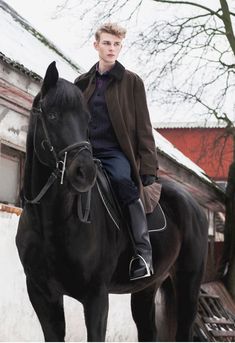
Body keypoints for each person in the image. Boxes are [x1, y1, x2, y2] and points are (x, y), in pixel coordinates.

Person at [74, 22, 158, 281]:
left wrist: (148, 168)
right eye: (107, 43)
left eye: (117, 44)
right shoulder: (82, 82)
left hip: (114, 153)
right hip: (84, 152)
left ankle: (143, 253)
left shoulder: (132, 82)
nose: (112, 48)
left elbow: (144, 126)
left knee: (123, 183)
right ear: (96, 44)